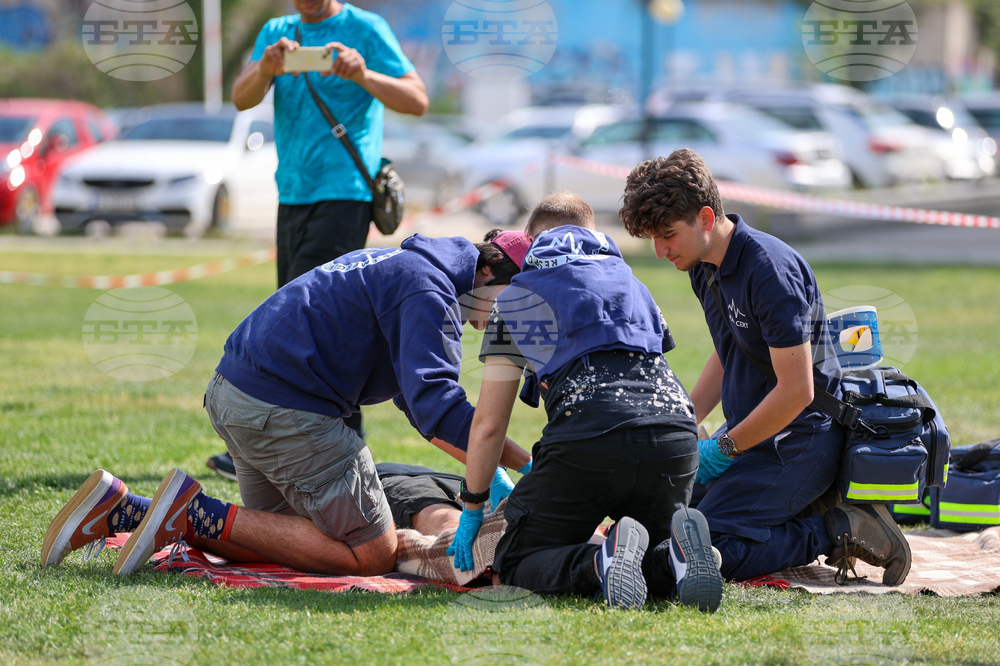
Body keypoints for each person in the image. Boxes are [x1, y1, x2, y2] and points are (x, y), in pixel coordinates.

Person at [41, 232, 532, 577]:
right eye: (510, 301)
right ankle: (190, 512)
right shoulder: (432, 291)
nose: (502, 319)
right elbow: (440, 410)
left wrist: (492, 468)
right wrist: (525, 462)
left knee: (279, 539)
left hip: (235, 393)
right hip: (287, 411)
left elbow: (420, 406)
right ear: (487, 271)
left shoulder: (407, 266)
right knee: (371, 554)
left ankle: (128, 510)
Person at [618, 149, 912, 586]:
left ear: (704, 217)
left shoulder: (768, 270)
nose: (660, 251)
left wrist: (722, 451)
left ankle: (840, 527)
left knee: (705, 551)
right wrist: (681, 429)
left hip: (803, 440)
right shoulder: (703, 266)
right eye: (652, 239)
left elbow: (798, 391)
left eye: (667, 235)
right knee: (661, 515)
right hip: (752, 435)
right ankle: (786, 509)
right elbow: (727, 353)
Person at [446, 193, 725, 612]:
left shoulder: (518, 297)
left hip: (590, 438)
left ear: (533, 242)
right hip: (673, 439)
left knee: (517, 561)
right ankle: (673, 559)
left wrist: (472, 506)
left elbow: (488, 424)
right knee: (651, 548)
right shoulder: (634, 284)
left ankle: (602, 561)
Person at [217, 0, 428, 466]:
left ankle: (336, 445)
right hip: (292, 194)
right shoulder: (277, 30)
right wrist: (267, 66)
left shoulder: (365, 29)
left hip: (345, 193)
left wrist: (362, 75)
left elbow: (417, 100)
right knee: (291, 319)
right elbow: (241, 98)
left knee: (319, 321)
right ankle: (284, 441)